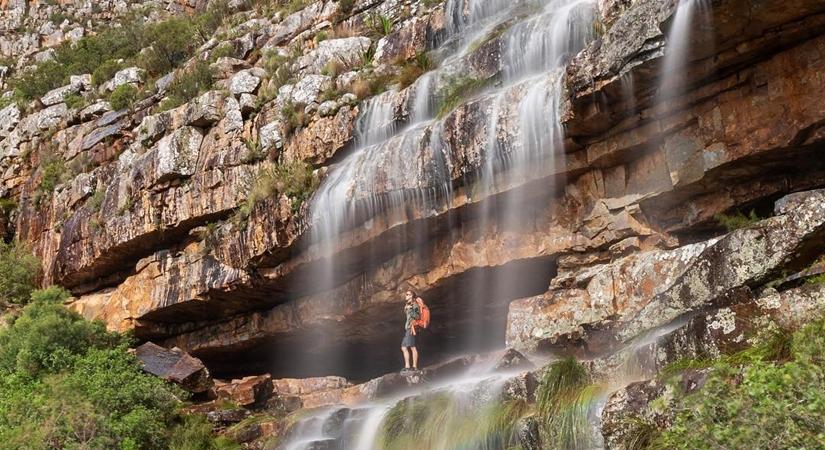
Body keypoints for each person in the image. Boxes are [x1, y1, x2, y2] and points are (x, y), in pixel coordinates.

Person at [401, 290, 420, 374]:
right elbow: (407, 313)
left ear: (411, 296)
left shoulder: (414, 304)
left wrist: (411, 308)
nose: (406, 295)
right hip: (407, 328)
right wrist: (407, 308)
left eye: (407, 294)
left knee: (412, 347)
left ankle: (414, 367)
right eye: (406, 294)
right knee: (403, 347)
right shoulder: (408, 305)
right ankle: (407, 366)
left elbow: (417, 316)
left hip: (411, 328)